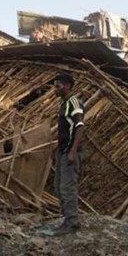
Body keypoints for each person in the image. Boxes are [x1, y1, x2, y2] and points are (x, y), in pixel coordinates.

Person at [52, 73, 86, 236]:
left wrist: (73, 151)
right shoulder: (64, 104)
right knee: (59, 187)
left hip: (70, 153)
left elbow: (80, 127)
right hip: (63, 151)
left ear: (67, 86)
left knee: (67, 187)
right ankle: (67, 220)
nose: (55, 89)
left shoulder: (73, 103)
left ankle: (72, 221)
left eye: (57, 86)